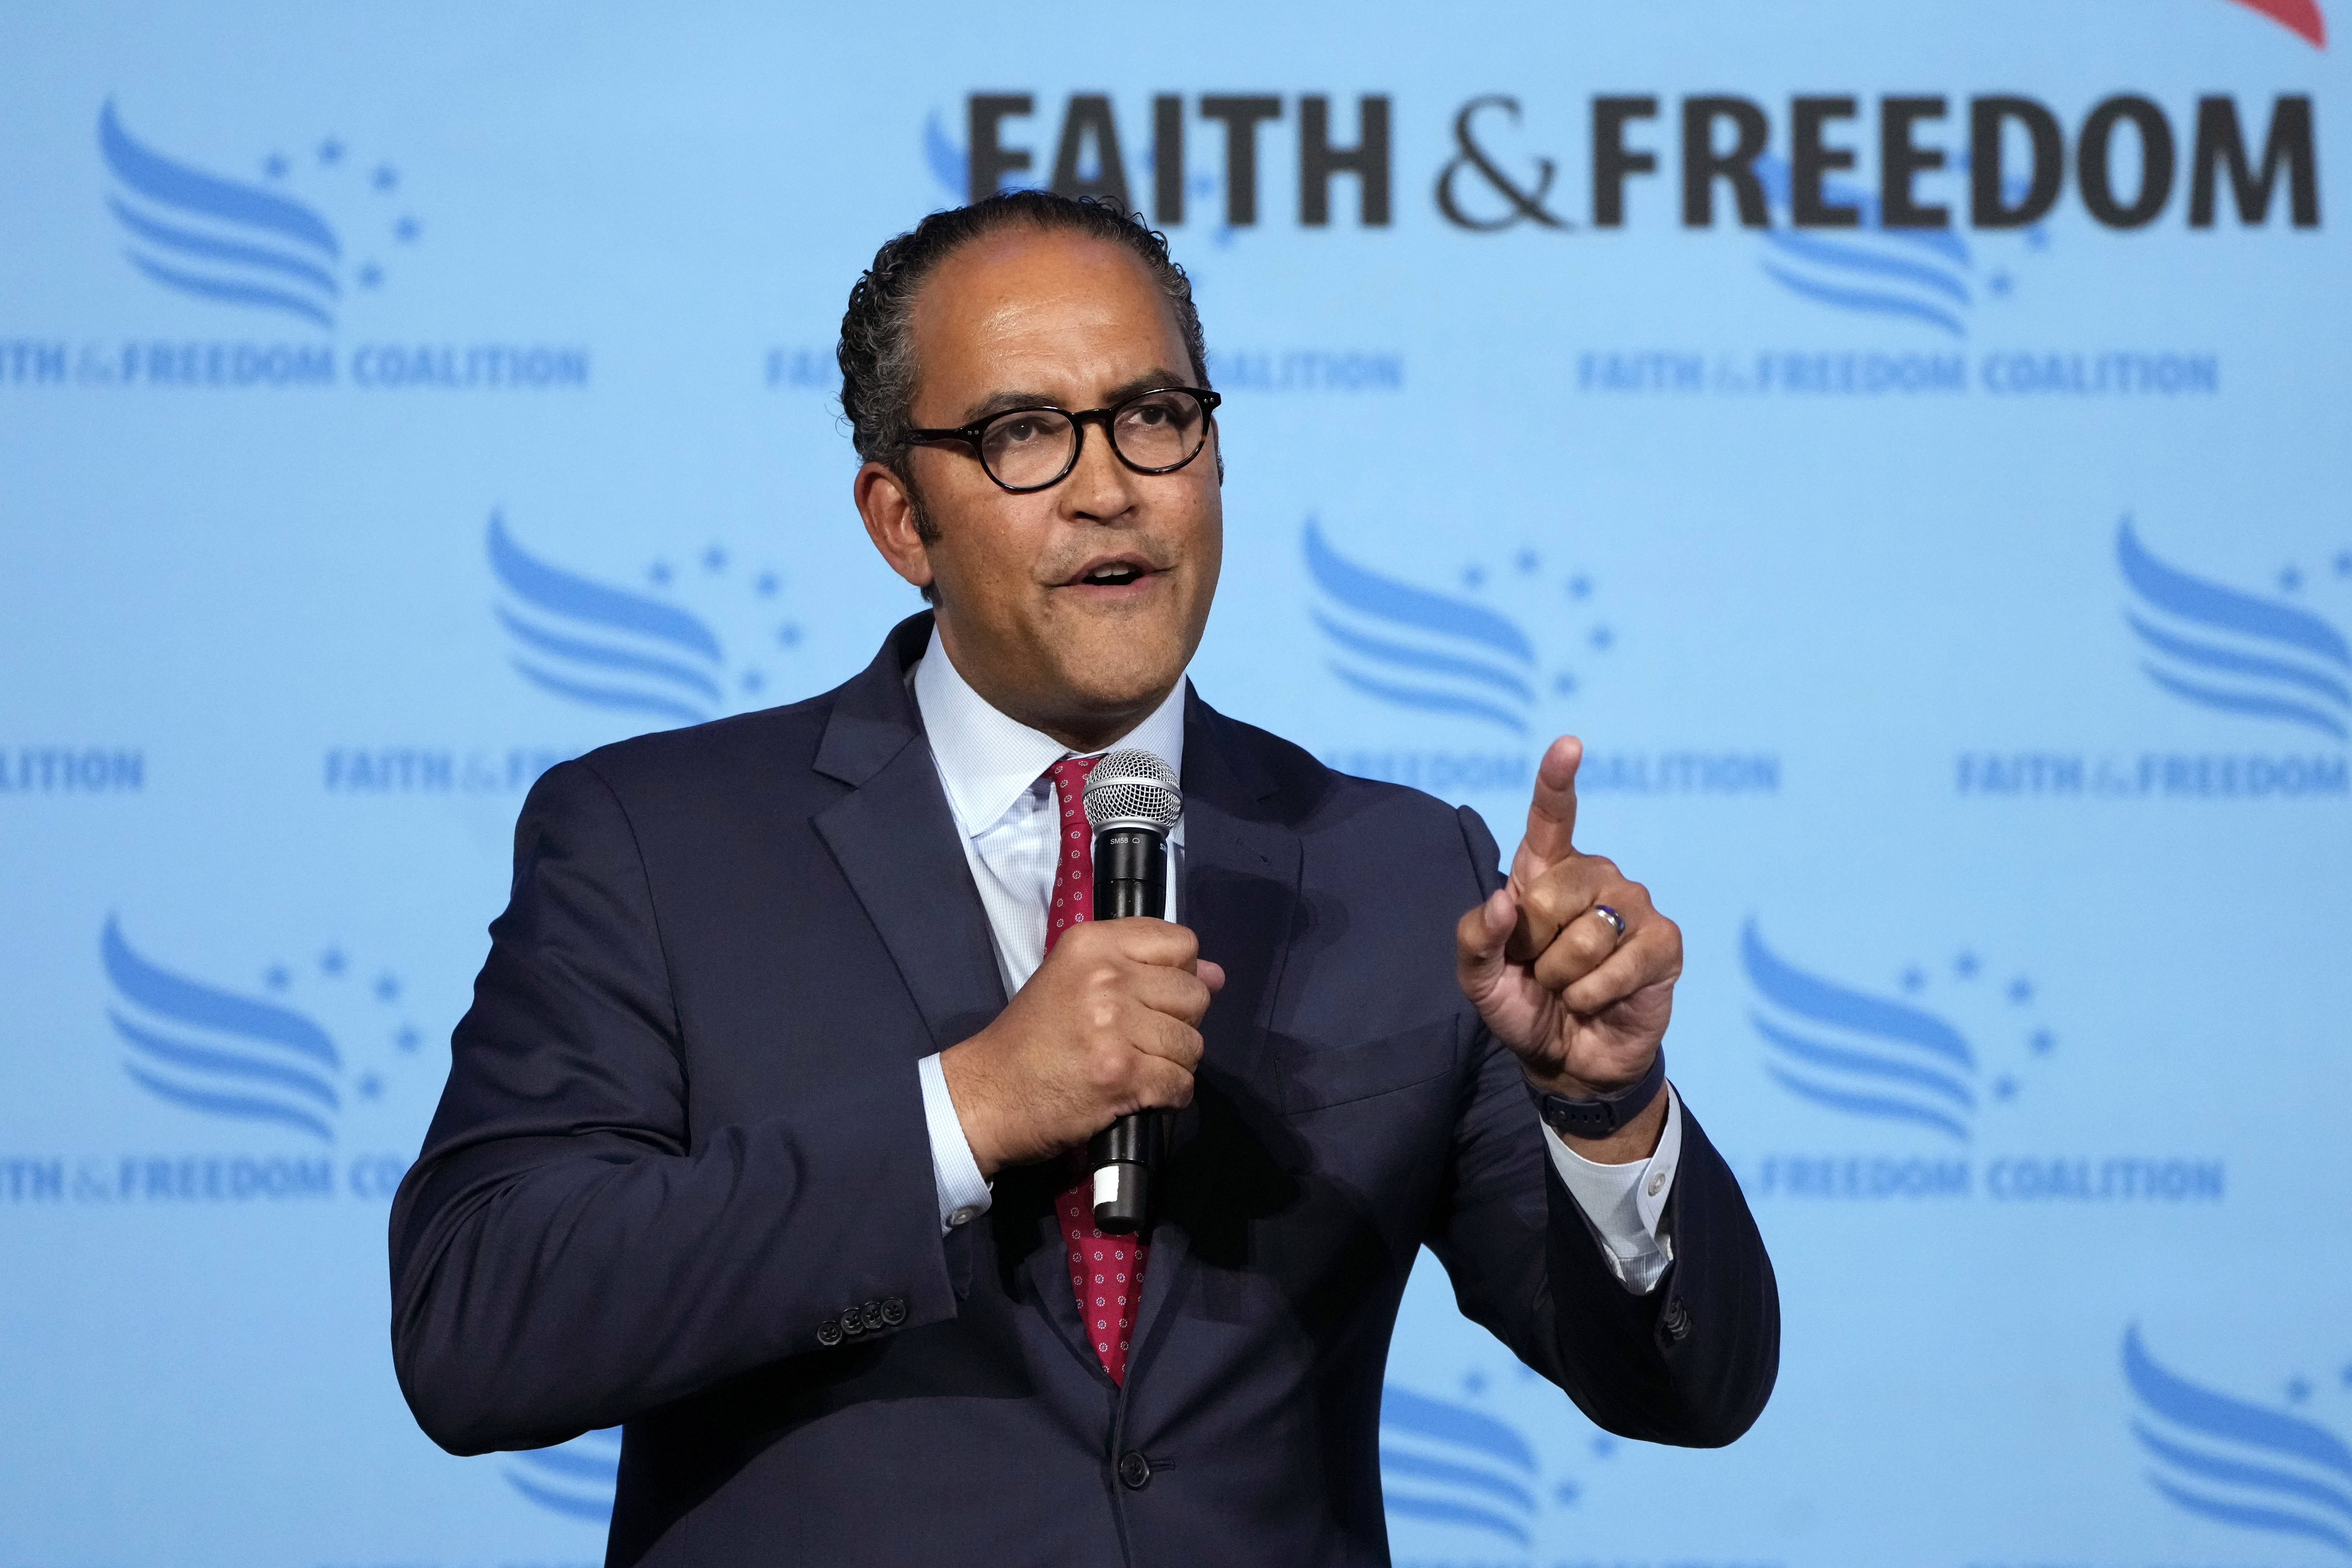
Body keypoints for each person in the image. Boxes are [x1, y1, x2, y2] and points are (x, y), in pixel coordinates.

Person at [389, 189, 1777, 1567]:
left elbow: (1689, 1389)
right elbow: (476, 1324)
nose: (1107, 487)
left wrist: (1606, 1109)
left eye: (1154, 416)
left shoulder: (1408, 873)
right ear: (899, 520)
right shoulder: (656, 841)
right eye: (1023, 434)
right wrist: (968, 1110)